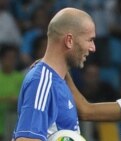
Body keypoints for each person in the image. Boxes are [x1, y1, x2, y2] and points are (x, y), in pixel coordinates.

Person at [12, 7, 96, 141]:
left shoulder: (57, 80)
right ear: (69, 40)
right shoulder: (41, 81)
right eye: (89, 40)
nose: (93, 47)